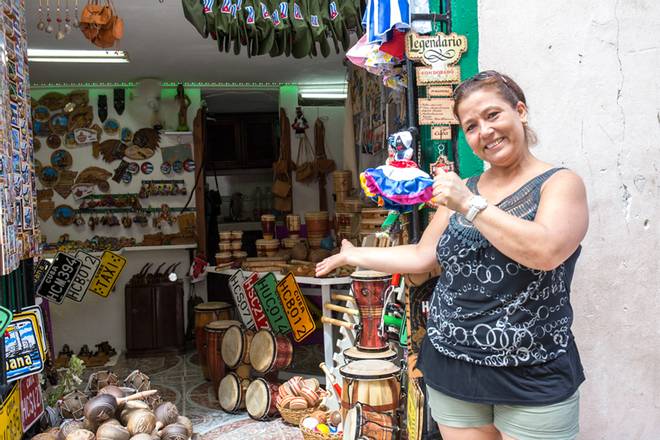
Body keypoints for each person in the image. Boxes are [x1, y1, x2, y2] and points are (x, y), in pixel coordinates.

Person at [316, 70, 588, 440]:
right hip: (452, 363)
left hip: (532, 370)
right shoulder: (465, 188)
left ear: (520, 111)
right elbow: (423, 256)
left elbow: (545, 251)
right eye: (471, 126)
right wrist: (355, 254)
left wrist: (469, 205)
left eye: (492, 115)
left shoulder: (559, 184)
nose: (485, 132)